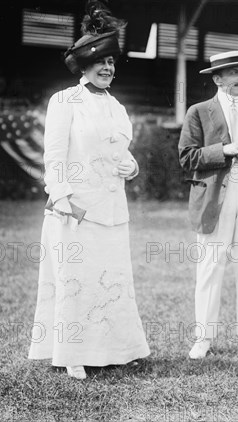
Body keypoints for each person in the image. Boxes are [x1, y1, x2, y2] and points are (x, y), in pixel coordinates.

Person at [28, 1, 150, 380]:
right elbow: (54, 156)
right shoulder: (64, 102)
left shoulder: (117, 107)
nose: (108, 68)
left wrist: (130, 166)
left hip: (112, 208)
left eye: (112, 62)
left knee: (111, 279)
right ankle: (72, 353)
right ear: (83, 66)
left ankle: (115, 349)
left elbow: (121, 157)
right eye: (100, 62)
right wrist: (63, 199)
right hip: (75, 209)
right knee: (75, 281)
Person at [178, 50, 238, 360]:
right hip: (214, 196)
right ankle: (203, 339)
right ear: (217, 78)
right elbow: (187, 156)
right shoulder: (198, 111)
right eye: (233, 73)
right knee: (210, 268)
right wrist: (226, 149)